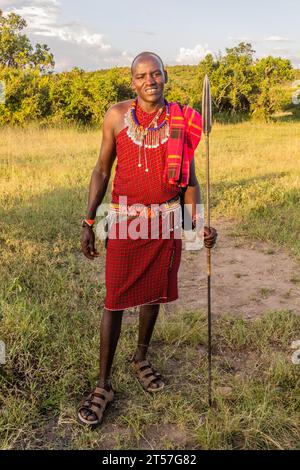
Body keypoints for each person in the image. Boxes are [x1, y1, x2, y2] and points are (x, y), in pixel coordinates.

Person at [78, 51, 218, 427]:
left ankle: (140, 358)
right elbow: (101, 169)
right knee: (115, 300)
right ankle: (103, 385)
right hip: (125, 221)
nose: (149, 81)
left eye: (156, 74)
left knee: (153, 294)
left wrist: (197, 224)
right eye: (141, 76)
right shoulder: (116, 116)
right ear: (132, 82)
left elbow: (189, 180)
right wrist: (88, 220)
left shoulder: (182, 121)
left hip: (166, 221)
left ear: (166, 76)